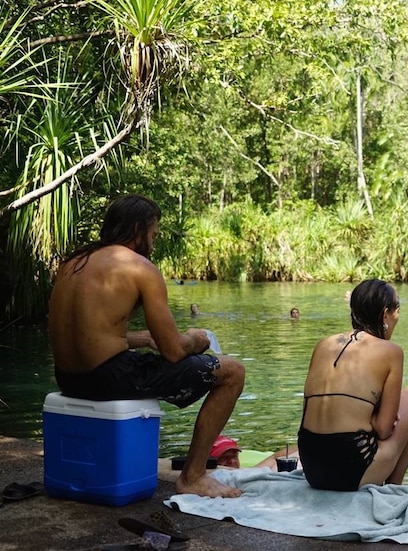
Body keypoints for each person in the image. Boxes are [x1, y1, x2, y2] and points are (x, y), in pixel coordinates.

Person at [48, 194, 246, 499]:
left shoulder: (73, 263)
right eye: (153, 235)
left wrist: (143, 339)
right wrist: (197, 340)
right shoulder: (140, 268)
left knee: (147, 356)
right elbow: (174, 351)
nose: (152, 244)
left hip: (69, 378)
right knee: (232, 371)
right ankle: (193, 476)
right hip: (110, 379)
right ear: (139, 229)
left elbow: (88, 336)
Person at [297, 278, 408, 491]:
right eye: (398, 310)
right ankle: (394, 488)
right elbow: (385, 430)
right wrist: (374, 419)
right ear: (386, 314)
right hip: (350, 470)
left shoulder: (323, 344)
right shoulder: (391, 351)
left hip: (311, 467)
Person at [210, 434, 301, 470]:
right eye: (225, 458)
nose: (232, 461)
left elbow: (275, 456)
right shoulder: (206, 475)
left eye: (234, 456)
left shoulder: (249, 472)